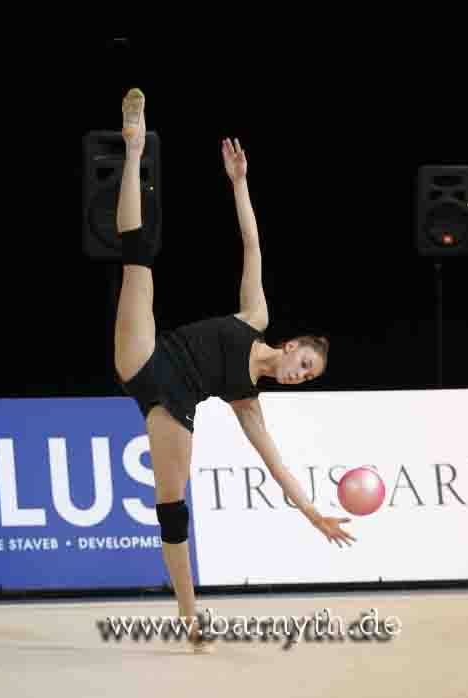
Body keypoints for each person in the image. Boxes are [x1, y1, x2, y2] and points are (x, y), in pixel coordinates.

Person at [114, 89, 356, 650]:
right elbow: (252, 244)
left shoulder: (248, 401)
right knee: (137, 261)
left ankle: (189, 618)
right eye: (304, 364)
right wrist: (239, 183)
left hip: (172, 403)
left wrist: (313, 514)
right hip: (149, 354)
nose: (299, 374)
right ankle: (134, 144)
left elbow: (277, 466)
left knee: (172, 509)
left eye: (307, 377)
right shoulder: (255, 317)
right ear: (291, 345)